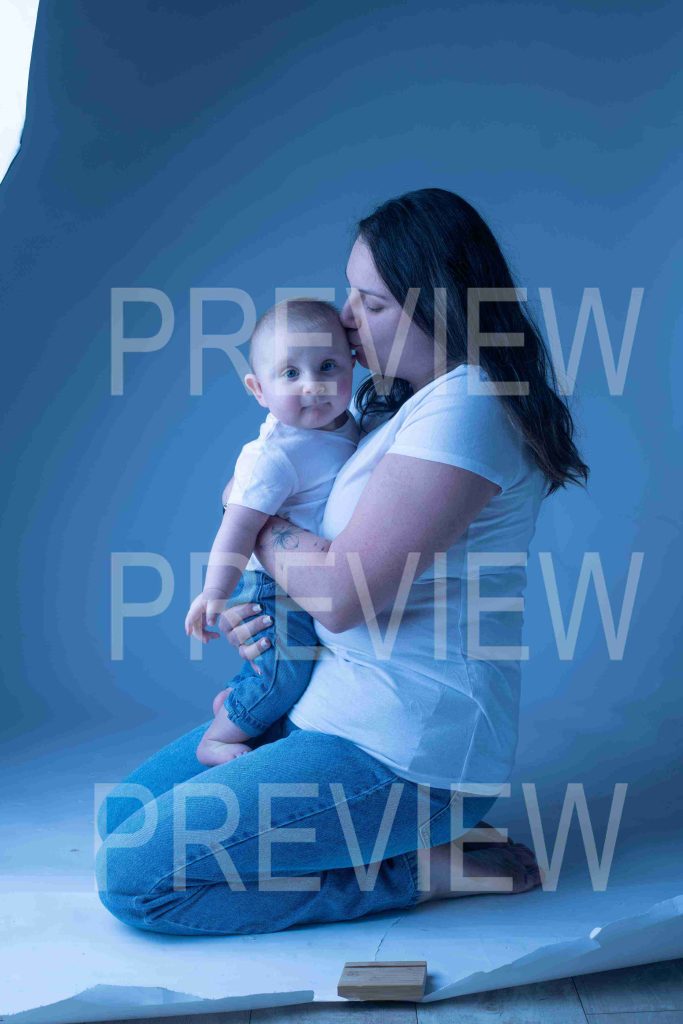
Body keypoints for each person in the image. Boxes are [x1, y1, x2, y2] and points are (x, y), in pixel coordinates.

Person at [97, 188, 589, 935]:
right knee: (122, 818)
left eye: (372, 302)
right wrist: (265, 617)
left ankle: (410, 871)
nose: (346, 317)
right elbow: (317, 566)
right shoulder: (398, 407)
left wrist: (252, 520)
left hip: (403, 753)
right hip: (327, 708)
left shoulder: (470, 405)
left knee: (137, 881)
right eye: (350, 293)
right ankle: (387, 842)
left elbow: (339, 592)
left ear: (440, 307)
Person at [183, 298, 358, 766]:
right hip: (272, 583)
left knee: (290, 662)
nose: (313, 385)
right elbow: (237, 525)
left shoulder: (346, 424)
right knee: (286, 670)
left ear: (352, 363)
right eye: (290, 374)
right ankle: (218, 738)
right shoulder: (274, 455)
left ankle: (237, 699)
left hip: (306, 576)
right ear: (258, 389)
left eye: (327, 366)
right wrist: (215, 591)